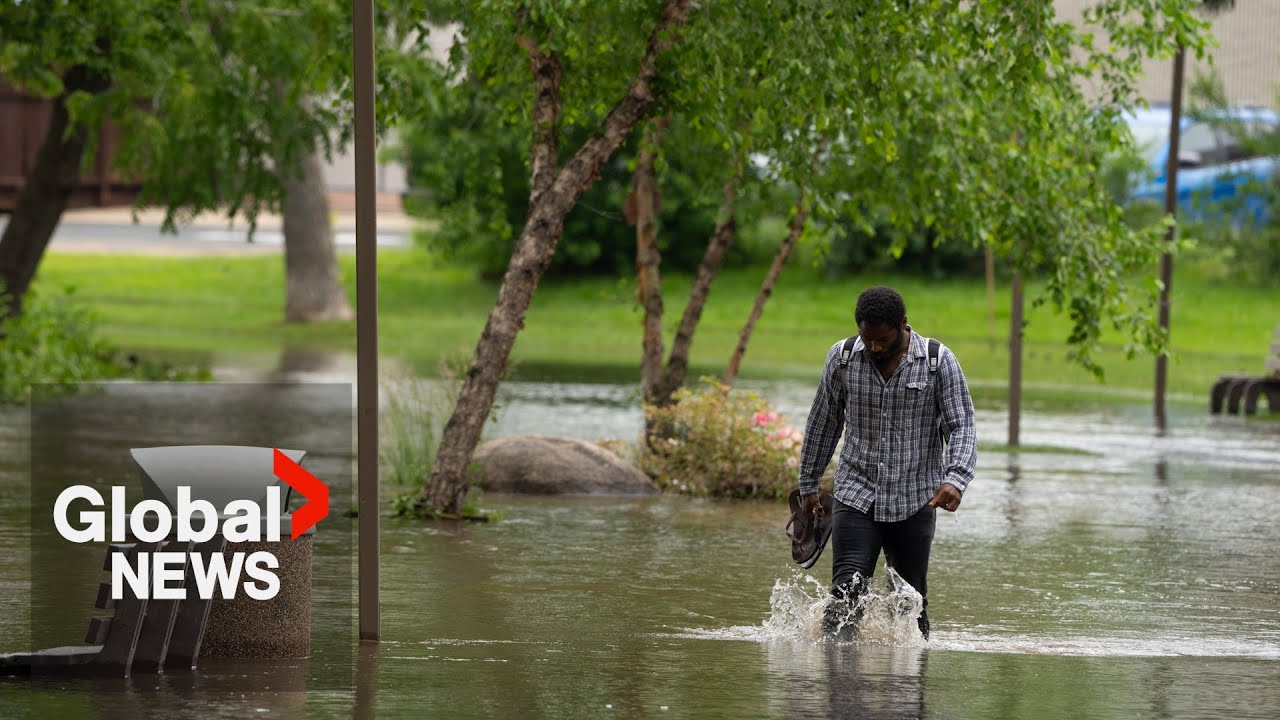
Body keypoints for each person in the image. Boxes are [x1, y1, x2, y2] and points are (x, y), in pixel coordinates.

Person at [796, 286, 976, 640]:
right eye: (868, 339)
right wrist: (808, 484)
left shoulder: (937, 361)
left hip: (915, 498)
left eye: (883, 340)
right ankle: (839, 670)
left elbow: (962, 425)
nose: (875, 347)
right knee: (846, 592)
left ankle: (910, 672)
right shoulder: (843, 358)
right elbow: (823, 423)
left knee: (910, 601)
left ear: (903, 325)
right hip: (856, 493)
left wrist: (956, 479)